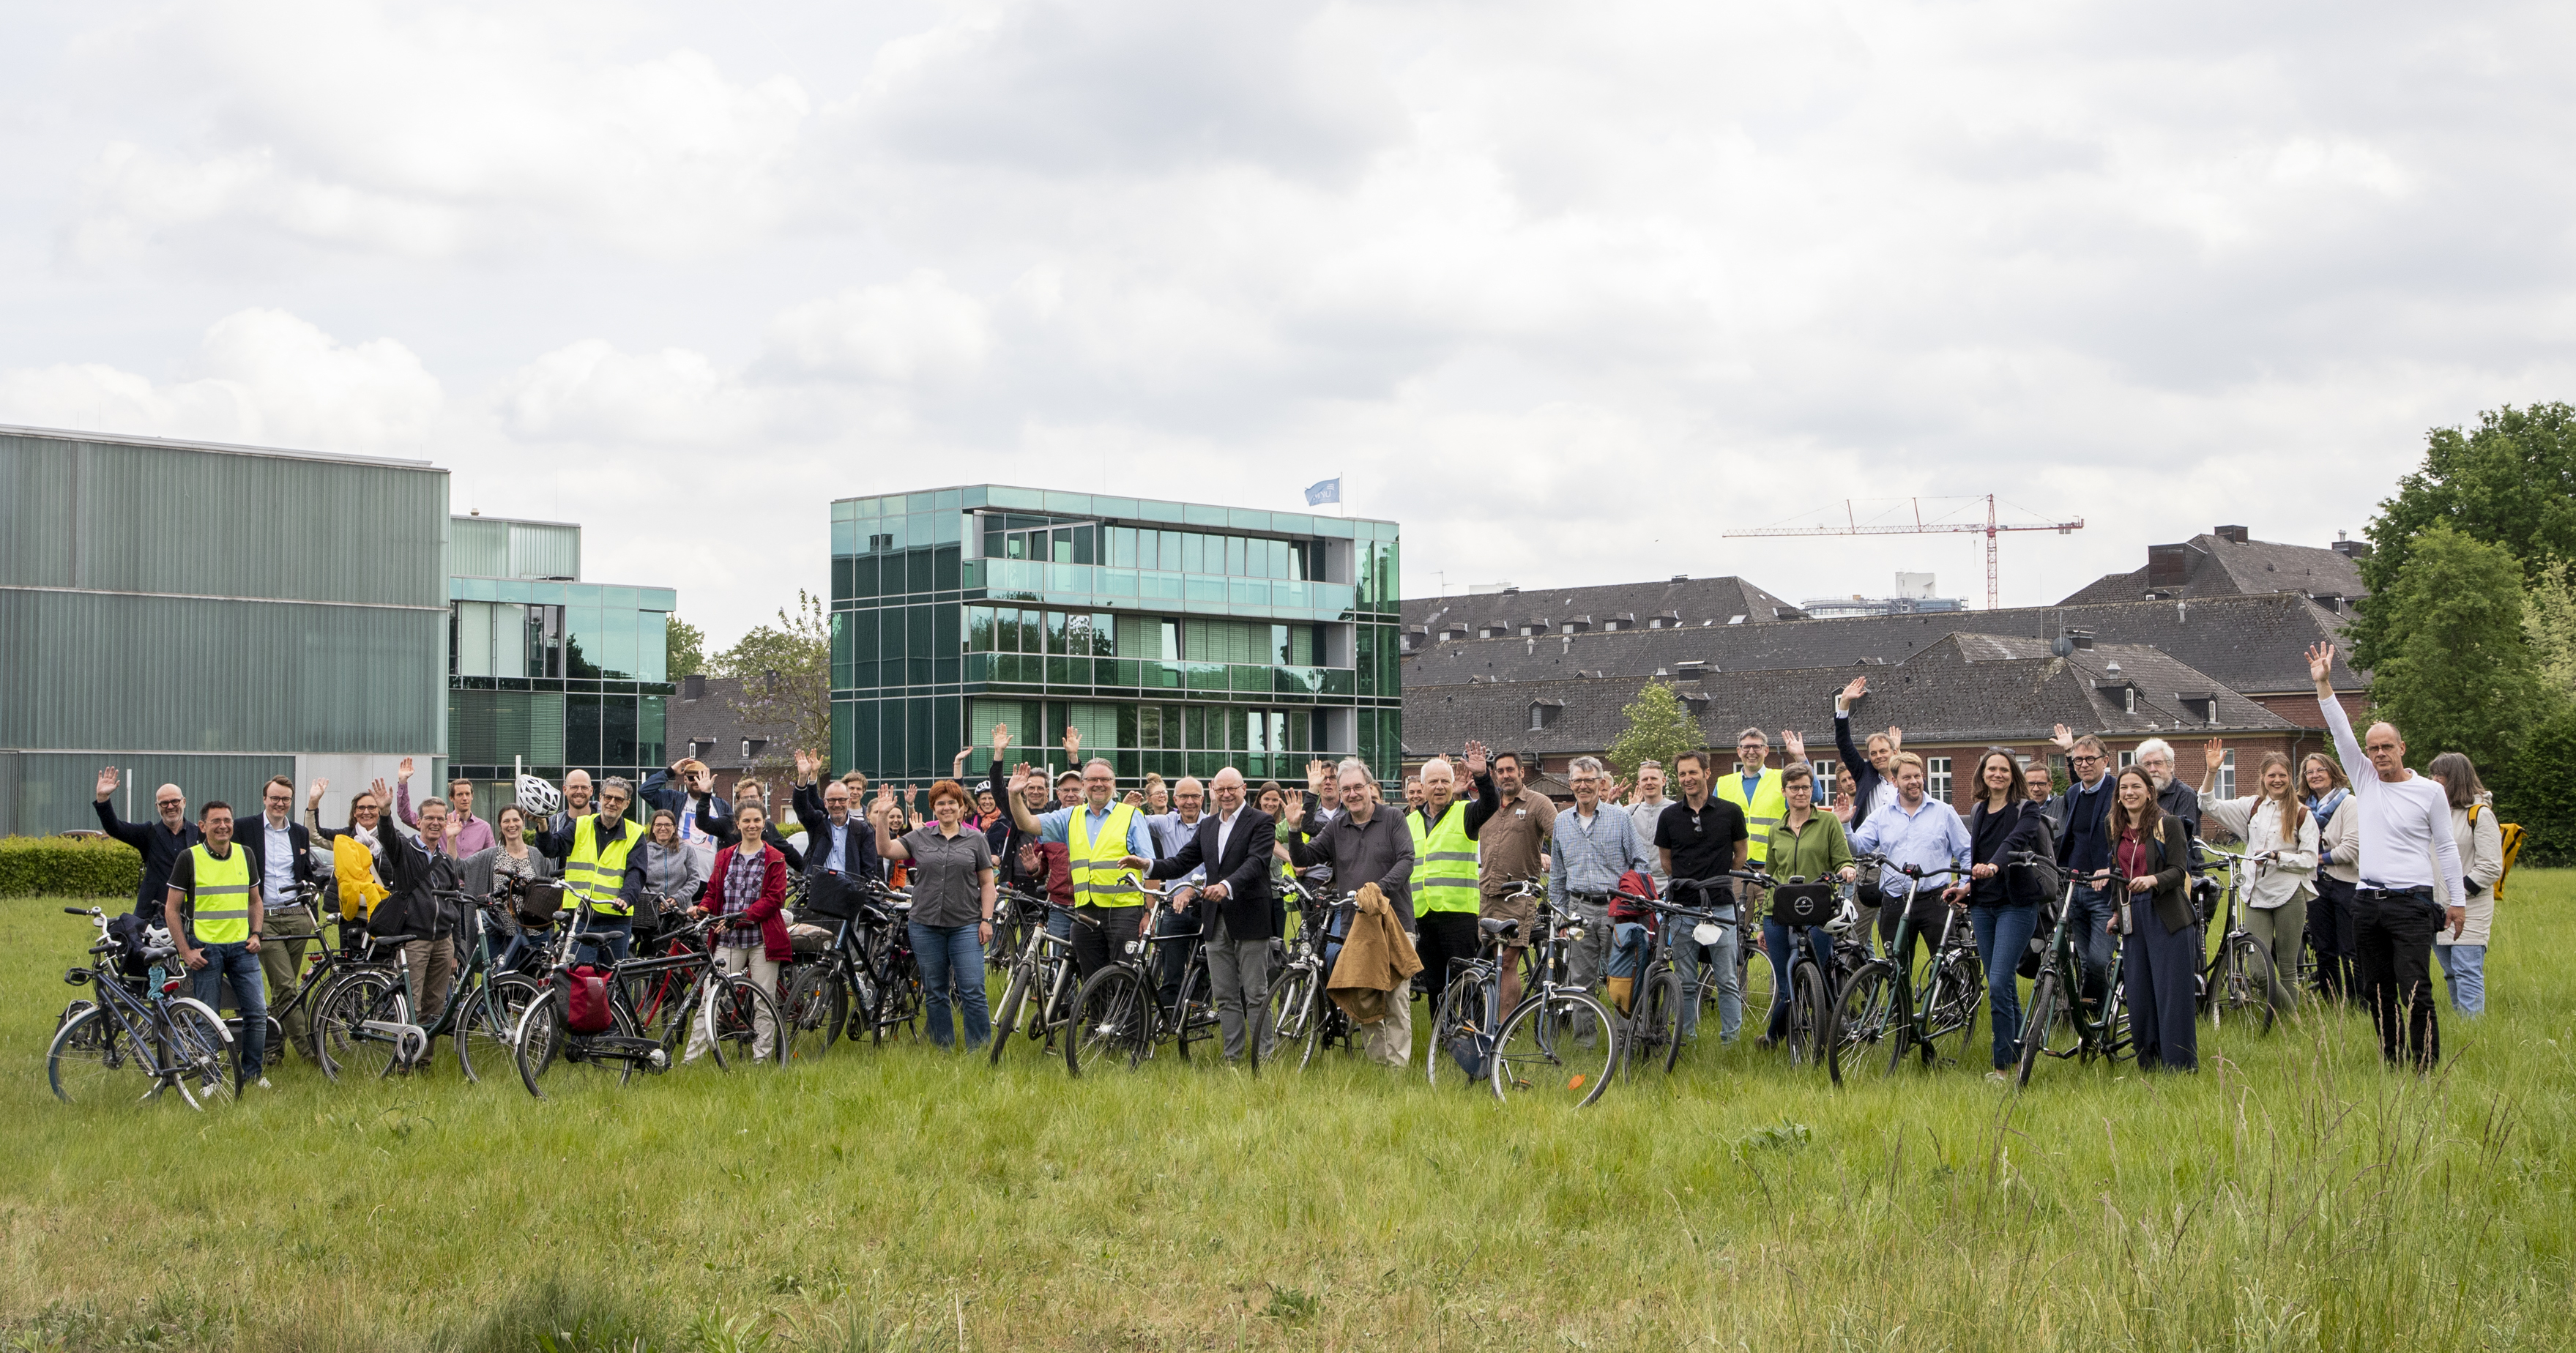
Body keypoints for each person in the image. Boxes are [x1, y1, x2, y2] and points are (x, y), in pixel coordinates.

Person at [2309, 642, 2465, 1069]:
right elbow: (2340, 730)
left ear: (2402, 749)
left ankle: (2425, 1064)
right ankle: (2392, 1058)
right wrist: (2324, 684)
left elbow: (2447, 846)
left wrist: (2457, 901)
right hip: (2367, 902)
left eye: (2386, 747)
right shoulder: (2365, 778)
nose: (2379, 754)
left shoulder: (2429, 792)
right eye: (2373, 748)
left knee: (2414, 986)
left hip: (2412, 904)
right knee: (2375, 988)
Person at [1128, 767, 1276, 1062]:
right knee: (1224, 995)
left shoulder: (1260, 822)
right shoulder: (1208, 827)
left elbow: (1256, 862)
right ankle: (1232, 1057)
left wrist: (1226, 885)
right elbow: (1182, 861)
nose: (1226, 794)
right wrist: (1148, 865)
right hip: (1215, 919)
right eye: (1220, 789)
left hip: (1249, 917)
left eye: (1232, 789)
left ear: (1244, 789)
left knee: (1256, 994)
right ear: (1213, 790)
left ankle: (1264, 1057)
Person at [1281, 759, 1419, 1066]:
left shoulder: (1393, 818)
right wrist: (1293, 828)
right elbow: (1303, 856)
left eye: (1358, 787)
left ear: (1370, 787)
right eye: (1347, 789)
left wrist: (1378, 889)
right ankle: (1378, 1068)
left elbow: (1407, 860)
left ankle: (1398, 1072)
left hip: (1394, 922)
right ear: (1341, 795)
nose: (1353, 794)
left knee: (1396, 1000)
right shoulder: (1336, 827)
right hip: (1354, 927)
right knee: (1365, 1000)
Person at [1005, 728, 1158, 981]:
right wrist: (1014, 795)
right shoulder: (1070, 816)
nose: (1099, 784)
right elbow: (1027, 823)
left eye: (1105, 779)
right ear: (1084, 785)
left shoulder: (1131, 815)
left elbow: (1151, 868)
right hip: (1085, 911)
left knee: (1124, 981)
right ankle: (1098, 1021)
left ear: (1114, 784)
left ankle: (1126, 1022)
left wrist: (1148, 915)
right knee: (1091, 980)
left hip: (1124, 913)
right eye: (1092, 780)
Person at [2197, 739, 2318, 1017]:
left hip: (2289, 893)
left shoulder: (2301, 814)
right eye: (2271, 775)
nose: (2277, 780)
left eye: (2282, 776)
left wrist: (2279, 857)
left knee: (2288, 969)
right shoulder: (2251, 807)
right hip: (2255, 894)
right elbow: (2207, 804)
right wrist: (2212, 771)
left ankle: (2290, 1031)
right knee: (2258, 970)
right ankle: (2295, 1019)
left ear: (2290, 778)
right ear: (2263, 778)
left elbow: (2310, 861)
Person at [875, 780, 998, 1051]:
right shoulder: (920, 837)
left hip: (966, 925)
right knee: (935, 991)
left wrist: (986, 920)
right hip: (925, 925)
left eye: (951, 803)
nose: (946, 808)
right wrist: (883, 816)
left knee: (973, 990)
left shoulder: (976, 839)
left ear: (962, 807)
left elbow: (988, 884)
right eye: (940, 803)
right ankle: (943, 1048)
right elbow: (885, 850)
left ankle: (978, 1050)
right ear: (933, 808)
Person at [2091, 764, 2198, 1072]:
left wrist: (2152, 880)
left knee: (2171, 995)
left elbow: (2180, 871)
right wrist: (2115, 913)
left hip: (2167, 915)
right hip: (2132, 916)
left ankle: (2179, 1066)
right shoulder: (2114, 826)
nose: (2129, 793)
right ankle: (2149, 1064)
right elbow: (2117, 874)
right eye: (2124, 788)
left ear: (2150, 792)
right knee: (2139, 993)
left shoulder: (2169, 823)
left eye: (2136, 787)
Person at [163, 800, 269, 1088]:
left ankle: (252, 1074)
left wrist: (257, 934)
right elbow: (171, 910)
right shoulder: (189, 858)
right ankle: (209, 1080)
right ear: (203, 827)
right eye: (216, 821)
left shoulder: (246, 855)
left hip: (242, 947)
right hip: (205, 948)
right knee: (207, 1017)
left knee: (257, 1014)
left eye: (227, 820)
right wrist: (185, 951)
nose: (223, 826)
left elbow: (255, 901)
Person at [1546, 757, 1651, 1039]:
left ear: (1601, 783)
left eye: (1590, 780)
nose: (1583, 786)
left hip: (1614, 910)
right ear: (1570, 784)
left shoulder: (1619, 818)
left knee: (1621, 978)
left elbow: (1641, 862)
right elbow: (1557, 876)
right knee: (1580, 981)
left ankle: (1624, 1037)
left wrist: (1630, 898)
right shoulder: (1562, 822)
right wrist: (1561, 916)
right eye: (1578, 781)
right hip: (1578, 909)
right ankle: (1585, 1043)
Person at [1962, 748, 2050, 1079]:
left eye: (2004, 770)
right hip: (1983, 904)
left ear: (2014, 775)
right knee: (2004, 984)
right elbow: (1976, 858)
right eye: (1991, 769)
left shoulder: (2027, 810)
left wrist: (1995, 865)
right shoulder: (1978, 810)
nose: (1997, 774)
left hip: (2017, 903)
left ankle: (2001, 1068)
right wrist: (1967, 887)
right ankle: (2017, 1060)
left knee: (1998, 982)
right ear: (1983, 773)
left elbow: (2015, 842)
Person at [1842, 753, 1970, 972]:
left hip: (1935, 901)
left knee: (1945, 968)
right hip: (1895, 902)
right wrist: (1845, 826)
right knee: (1896, 970)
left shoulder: (1944, 812)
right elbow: (1858, 847)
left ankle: (1948, 1005)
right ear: (1894, 782)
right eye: (1907, 777)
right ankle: (1900, 1008)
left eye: (1917, 776)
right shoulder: (1882, 815)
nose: (1914, 782)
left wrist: (1965, 885)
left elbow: (1967, 852)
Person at [1656, 749, 1752, 1043]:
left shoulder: (1730, 812)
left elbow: (1741, 854)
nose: (1687, 779)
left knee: (1726, 979)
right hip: (1683, 907)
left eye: (1693, 772)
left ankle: (1730, 1043)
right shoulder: (1669, 816)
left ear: (1707, 773)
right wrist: (1690, 883)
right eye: (1682, 774)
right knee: (1685, 981)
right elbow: (1666, 861)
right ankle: (1685, 1040)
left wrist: (1715, 878)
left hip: (1721, 905)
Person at [686, 802, 790, 1063]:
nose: (752, 825)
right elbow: (713, 893)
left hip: (762, 940)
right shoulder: (724, 856)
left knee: (763, 1002)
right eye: (747, 821)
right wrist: (703, 909)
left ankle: (761, 1060)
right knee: (709, 999)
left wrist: (740, 919)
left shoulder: (775, 858)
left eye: (757, 820)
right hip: (728, 940)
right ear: (738, 824)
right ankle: (690, 1061)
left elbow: (774, 900)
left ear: (764, 823)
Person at [1759, 761, 1851, 1050]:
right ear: (1784, 791)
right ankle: (1780, 1038)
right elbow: (1770, 877)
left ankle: (1784, 1035)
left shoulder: (1828, 823)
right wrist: (1762, 919)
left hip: (1817, 910)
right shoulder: (1777, 830)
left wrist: (1848, 870)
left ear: (1813, 790)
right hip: (1779, 913)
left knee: (1812, 973)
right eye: (1795, 788)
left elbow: (1843, 858)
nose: (1801, 793)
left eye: (1806, 787)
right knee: (1786, 982)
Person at [237, 775, 319, 1062]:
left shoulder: (298, 833)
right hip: (265, 918)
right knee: (286, 986)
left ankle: (272, 1050)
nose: (279, 803)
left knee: (282, 988)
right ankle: (310, 1053)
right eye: (274, 798)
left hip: (297, 917)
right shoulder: (244, 828)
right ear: (264, 799)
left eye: (285, 799)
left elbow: (305, 874)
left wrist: (311, 914)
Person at [1471, 745, 1557, 1015]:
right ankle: (1487, 1019)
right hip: (1487, 894)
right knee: (1487, 961)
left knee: (1508, 961)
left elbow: (1562, 837)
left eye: (1510, 770)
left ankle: (1504, 1027)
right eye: (1500, 771)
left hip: (1519, 896)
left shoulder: (1538, 803)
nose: (1505, 775)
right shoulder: (1487, 806)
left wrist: (1554, 862)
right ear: (1494, 775)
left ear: (1522, 772)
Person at [535, 775, 649, 965]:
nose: (612, 803)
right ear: (601, 798)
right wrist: (542, 824)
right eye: (608, 797)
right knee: (581, 977)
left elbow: (636, 873)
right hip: (581, 918)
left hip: (616, 919)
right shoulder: (580, 825)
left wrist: (626, 898)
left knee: (612, 980)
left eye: (618, 799)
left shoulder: (635, 834)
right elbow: (552, 848)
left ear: (627, 804)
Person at [2427, 753, 2506, 1017]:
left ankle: (2473, 1031)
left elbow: (2492, 865)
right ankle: (2463, 1024)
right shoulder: (2434, 813)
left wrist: (2457, 894)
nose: (2434, 780)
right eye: (2433, 774)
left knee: (2466, 969)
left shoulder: (2479, 814)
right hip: (2437, 907)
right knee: (2450, 972)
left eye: (2440, 775)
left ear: (2456, 778)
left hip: (2470, 908)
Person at [2050, 728, 2121, 1014]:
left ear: (2105, 761)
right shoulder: (2072, 793)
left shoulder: (2117, 792)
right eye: (2078, 761)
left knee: (2100, 960)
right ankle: (2090, 1020)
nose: (2083, 765)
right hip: (2075, 888)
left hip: (2104, 890)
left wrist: (2110, 867)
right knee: (2081, 958)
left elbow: (2127, 838)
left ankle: (2098, 1013)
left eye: (2090, 759)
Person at [1407, 756, 1484, 1020]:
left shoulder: (1465, 813)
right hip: (1424, 915)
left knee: (1466, 983)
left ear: (1454, 785)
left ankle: (1475, 1043)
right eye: (1433, 782)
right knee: (1435, 985)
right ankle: (1441, 1044)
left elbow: (1491, 805)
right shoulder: (1410, 822)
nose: (1439, 787)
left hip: (1458, 914)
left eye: (1444, 781)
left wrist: (1482, 776)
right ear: (1423, 786)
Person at [92, 766, 201, 922]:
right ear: (157, 807)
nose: (170, 807)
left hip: (192, 915)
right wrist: (103, 799)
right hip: (153, 916)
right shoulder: (148, 834)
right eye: (164, 803)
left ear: (184, 802)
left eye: (175, 801)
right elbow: (115, 828)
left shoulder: (200, 834)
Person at [1144, 777, 1210, 1004]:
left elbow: (1217, 869)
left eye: (1194, 797)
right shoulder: (1167, 823)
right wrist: (1128, 808)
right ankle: (1168, 1022)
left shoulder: (1213, 825)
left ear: (1203, 799)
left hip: (1207, 907)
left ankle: (1198, 1023)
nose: (1189, 802)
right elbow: (1136, 822)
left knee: (1205, 971)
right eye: (1183, 797)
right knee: (1171, 973)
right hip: (1175, 910)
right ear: (1175, 800)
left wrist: (1192, 890)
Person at [2303, 753, 2360, 1003]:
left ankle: (2359, 1001)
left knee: (2351, 949)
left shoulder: (2350, 804)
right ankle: (2331, 1002)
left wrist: (2312, 859)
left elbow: (2350, 850)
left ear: (2332, 772)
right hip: (2316, 885)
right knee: (2324, 949)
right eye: (2309, 772)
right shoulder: (2304, 808)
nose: (2315, 775)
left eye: (2320, 770)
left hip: (2346, 884)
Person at [1830, 677, 1904, 832]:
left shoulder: (1908, 779)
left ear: (1894, 752)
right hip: (1869, 850)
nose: (1879, 756)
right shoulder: (1864, 774)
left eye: (1883, 751)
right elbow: (1844, 743)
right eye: (1873, 753)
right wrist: (1844, 703)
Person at [486, 804, 553, 973]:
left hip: (535, 932)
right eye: (506, 821)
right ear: (500, 825)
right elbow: (460, 868)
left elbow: (549, 888)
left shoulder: (537, 855)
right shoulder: (491, 856)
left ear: (523, 823)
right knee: (501, 984)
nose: (512, 825)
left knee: (534, 984)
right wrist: (451, 839)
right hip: (502, 934)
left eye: (516, 820)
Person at [1718, 729, 1788, 886]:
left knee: (1772, 910)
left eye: (1757, 747)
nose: (1751, 752)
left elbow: (1816, 795)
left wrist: (1801, 757)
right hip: (1736, 868)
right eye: (1746, 747)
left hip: (1772, 866)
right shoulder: (1723, 784)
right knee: (1738, 911)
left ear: (1766, 750)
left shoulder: (1782, 778)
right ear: (1739, 751)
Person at [395, 758, 495, 856]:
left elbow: (491, 859)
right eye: (460, 795)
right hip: (442, 872)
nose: (465, 798)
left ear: (472, 796)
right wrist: (403, 783)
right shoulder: (440, 822)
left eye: (467, 794)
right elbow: (406, 815)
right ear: (451, 797)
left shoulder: (484, 828)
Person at [638, 808, 709, 944]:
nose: (663, 828)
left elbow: (694, 879)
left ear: (674, 828)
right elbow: (639, 880)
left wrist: (677, 898)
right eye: (658, 825)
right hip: (652, 915)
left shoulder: (686, 850)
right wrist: (657, 901)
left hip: (681, 913)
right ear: (653, 828)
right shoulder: (643, 851)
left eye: (667, 825)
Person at [2132, 738, 2203, 855]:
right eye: (2147, 764)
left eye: (2158, 763)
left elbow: (2182, 839)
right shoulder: (2138, 796)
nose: (2152, 769)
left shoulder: (2185, 795)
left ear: (2171, 766)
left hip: (2181, 867)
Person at [1624, 760, 1674, 895]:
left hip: (1669, 886)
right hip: (1637, 887)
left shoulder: (1676, 811)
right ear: (1639, 784)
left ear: (1663, 781)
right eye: (1645, 779)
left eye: (1653, 778)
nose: (1649, 782)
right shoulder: (1629, 813)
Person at [2023, 760, 2064, 837]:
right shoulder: (2018, 809)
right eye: (2031, 784)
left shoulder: (2062, 805)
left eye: (2041, 784)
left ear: (2050, 785)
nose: (2036, 789)